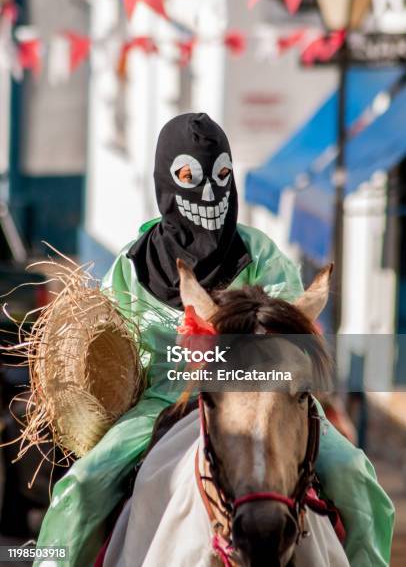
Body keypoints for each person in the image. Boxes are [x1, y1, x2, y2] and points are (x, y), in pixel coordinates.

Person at [35, 113, 393, 567]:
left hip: (271, 394)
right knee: (81, 489)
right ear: (165, 181)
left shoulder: (260, 253)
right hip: (160, 405)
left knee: (356, 475)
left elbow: (286, 334)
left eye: (222, 175)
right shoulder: (130, 267)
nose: (208, 193)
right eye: (190, 176)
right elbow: (112, 352)